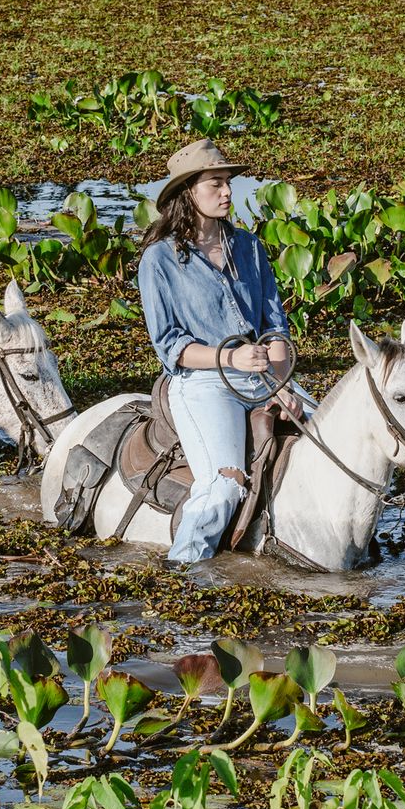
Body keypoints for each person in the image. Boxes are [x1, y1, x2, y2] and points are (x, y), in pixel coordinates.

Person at [137, 139, 297, 562]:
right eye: (216, 183)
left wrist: (280, 384)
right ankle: (183, 572)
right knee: (223, 486)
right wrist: (230, 358)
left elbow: (274, 325)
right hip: (204, 382)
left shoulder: (249, 248)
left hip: (262, 375)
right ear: (188, 192)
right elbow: (170, 346)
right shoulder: (159, 260)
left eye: (228, 182)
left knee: (329, 440)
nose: (227, 192)